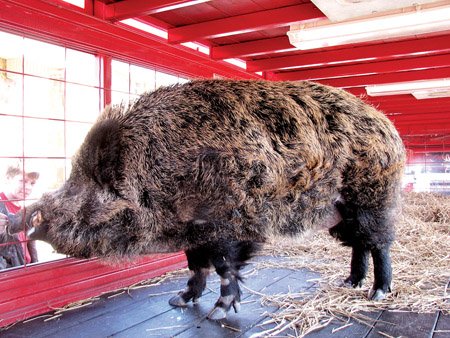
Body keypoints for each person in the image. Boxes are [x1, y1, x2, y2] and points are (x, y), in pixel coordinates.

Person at [0, 165, 39, 269]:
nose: (28, 187)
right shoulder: (1, 207)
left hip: (26, 269)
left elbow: (30, 243)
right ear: (8, 178)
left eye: (32, 183)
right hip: (9, 274)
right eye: (23, 181)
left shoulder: (26, 209)